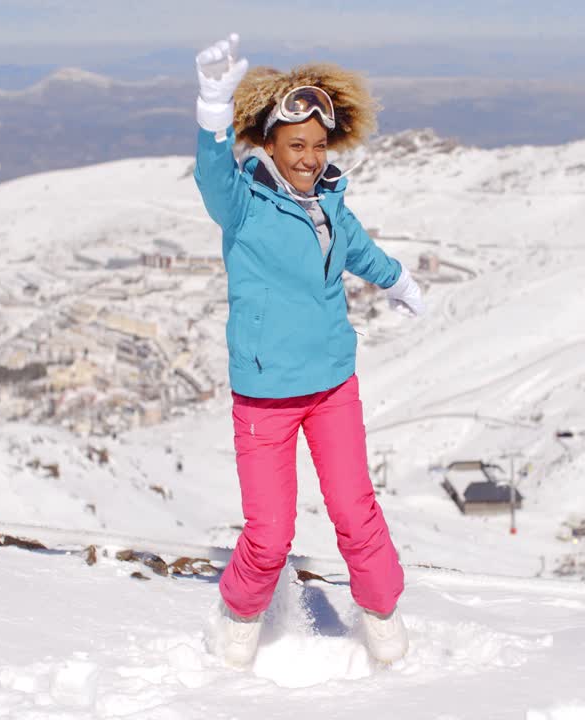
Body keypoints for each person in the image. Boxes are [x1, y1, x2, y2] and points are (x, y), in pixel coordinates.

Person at [192, 34, 425, 668]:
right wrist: (214, 106)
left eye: (319, 146)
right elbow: (211, 173)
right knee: (270, 534)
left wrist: (399, 282)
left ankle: (380, 612)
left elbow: (359, 251)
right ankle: (241, 615)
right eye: (297, 145)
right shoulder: (242, 205)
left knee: (356, 512)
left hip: (330, 384)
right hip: (265, 394)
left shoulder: (328, 202)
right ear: (269, 144)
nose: (309, 158)